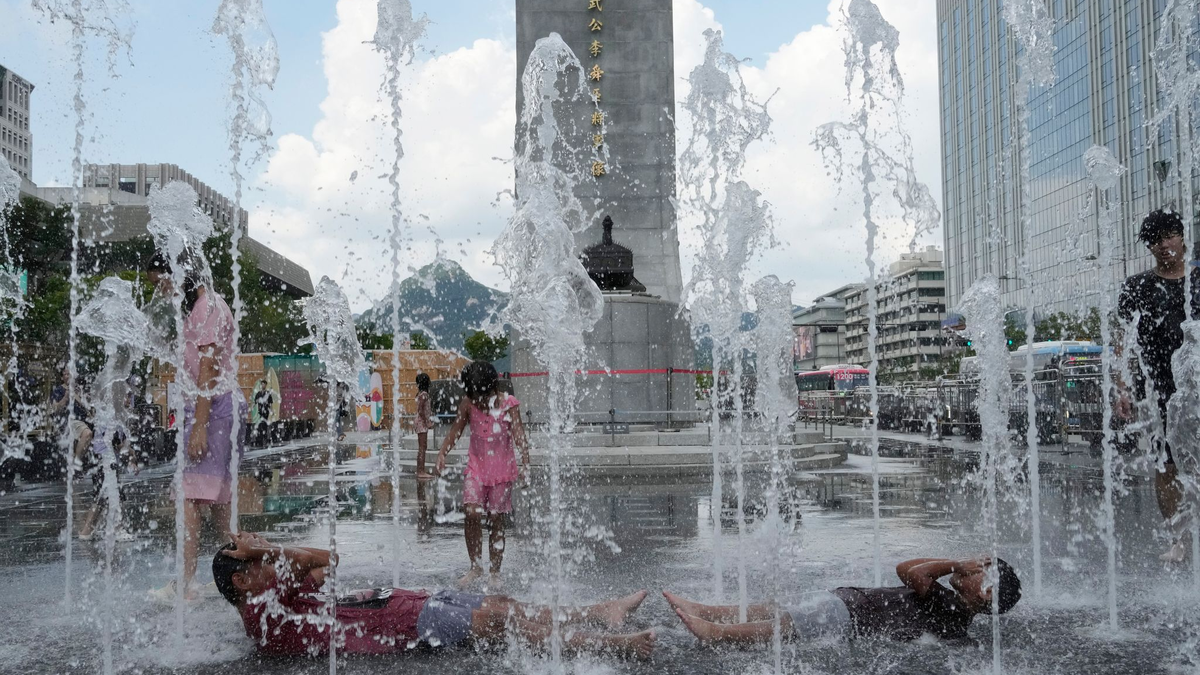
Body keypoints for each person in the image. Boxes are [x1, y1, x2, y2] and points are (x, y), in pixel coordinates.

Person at [212, 532, 654, 658]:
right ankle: (615, 646)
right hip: (405, 625)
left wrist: (270, 551)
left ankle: (601, 611)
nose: (271, 564)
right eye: (259, 564)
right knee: (503, 623)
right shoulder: (262, 621)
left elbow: (327, 561)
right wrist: (269, 550)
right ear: (242, 582)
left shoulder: (277, 596)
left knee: (505, 605)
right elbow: (318, 563)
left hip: (407, 601)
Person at [147, 251, 246, 601]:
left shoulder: (207, 308)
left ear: (181, 276)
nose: (162, 293)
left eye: (163, 283)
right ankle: (252, 574)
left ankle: (185, 583)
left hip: (214, 410)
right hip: (217, 408)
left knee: (189, 496)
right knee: (220, 508)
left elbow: (207, 369)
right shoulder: (204, 308)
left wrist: (200, 425)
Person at [667, 556, 1021, 644]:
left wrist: (955, 564)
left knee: (784, 624)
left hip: (852, 615)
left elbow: (909, 572)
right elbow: (912, 568)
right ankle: (709, 612)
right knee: (778, 608)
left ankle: (718, 634)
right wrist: (958, 566)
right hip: (849, 605)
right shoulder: (954, 607)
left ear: (985, 592)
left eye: (980, 568)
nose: (971, 566)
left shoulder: (953, 608)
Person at [1116, 210, 1200, 563]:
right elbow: (1121, 341)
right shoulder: (1136, 287)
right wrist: (1121, 387)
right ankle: (1179, 539)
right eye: (1155, 240)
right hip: (1156, 389)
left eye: (1169, 236)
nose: (1164, 245)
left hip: (1196, 385)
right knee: (1165, 466)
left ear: (1182, 237)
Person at [435, 362, 530, 589]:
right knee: (471, 511)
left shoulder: (509, 405)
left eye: (481, 396)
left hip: (502, 471)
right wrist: (442, 453)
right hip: (476, 468)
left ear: (492, 389)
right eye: (474, 396)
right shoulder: (468, 404)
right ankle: (475, 566)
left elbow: (518, 434)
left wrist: (526, 463)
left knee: (496, 519)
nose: (478, 401)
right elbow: (456, 430)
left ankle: (495, 571)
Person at [414, 372, 434, 480]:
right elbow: (421, 410)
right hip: (421, 421)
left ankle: (420, 470)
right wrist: (427, 422)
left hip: (420, 421)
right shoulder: (424, 394)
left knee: (422, 447)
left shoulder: (421, 394)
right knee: (422, 447)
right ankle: (421, 471)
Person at [252, 379, 274, 447]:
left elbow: (270, 404)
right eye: (262, 384)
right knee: (260, 426)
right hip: (260, 412)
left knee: (264, 426)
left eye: (264, 384)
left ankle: (264, 440)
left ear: (266, 385)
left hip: (266, 412)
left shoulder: (267, 394)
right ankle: (261, 440)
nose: (262, 385)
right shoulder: (258, 394)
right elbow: (255, 402)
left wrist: (271, 411)